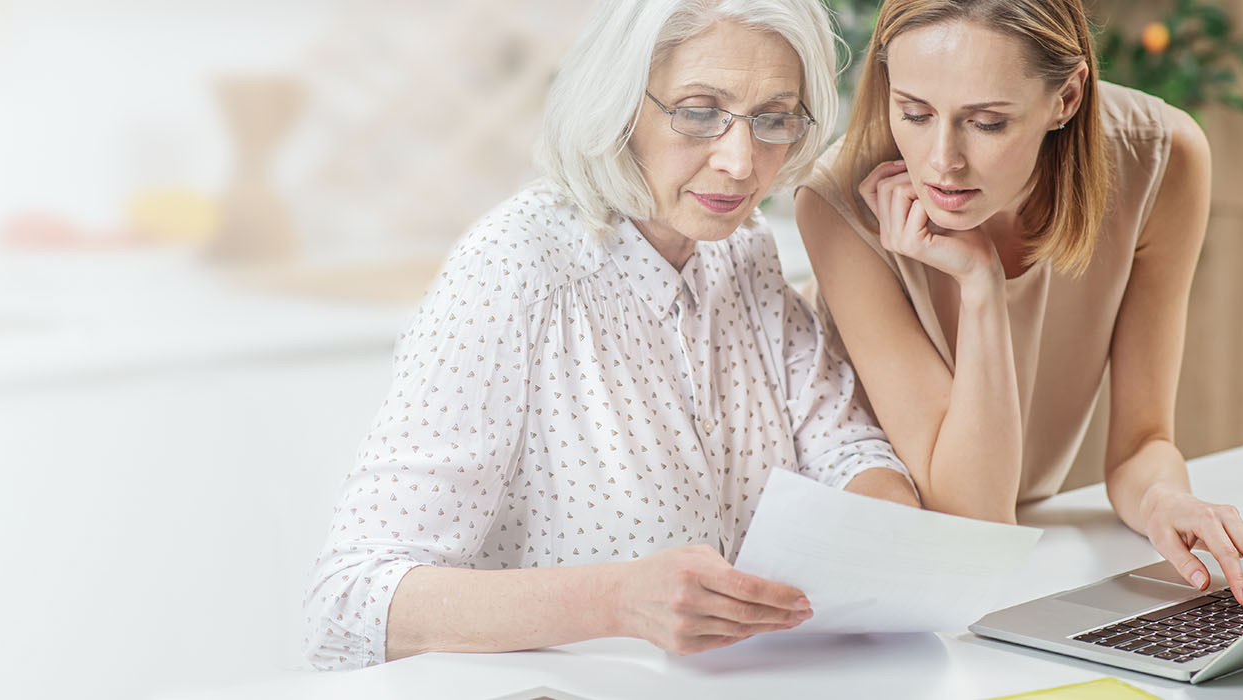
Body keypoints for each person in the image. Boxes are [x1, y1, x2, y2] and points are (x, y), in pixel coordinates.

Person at [304, 0, 919, 671]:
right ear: (620, 103)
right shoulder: (518, 266)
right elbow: (348, 601)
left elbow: (848, 448)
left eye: (773, 119)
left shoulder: (743, 252)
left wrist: (885, 538)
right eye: (698, 111)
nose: (742, 162)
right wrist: (617, 600)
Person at [795, 0, 1243, 615]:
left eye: (987, 122)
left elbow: (1141, 443)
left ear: (1068, 98)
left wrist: (1167, 502)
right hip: (886, 585)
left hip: (1014, 564)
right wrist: (981, 286)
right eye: (913, 112)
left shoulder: (1160, 157)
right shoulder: (839, 203)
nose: (942, 160)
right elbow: (973, 524)